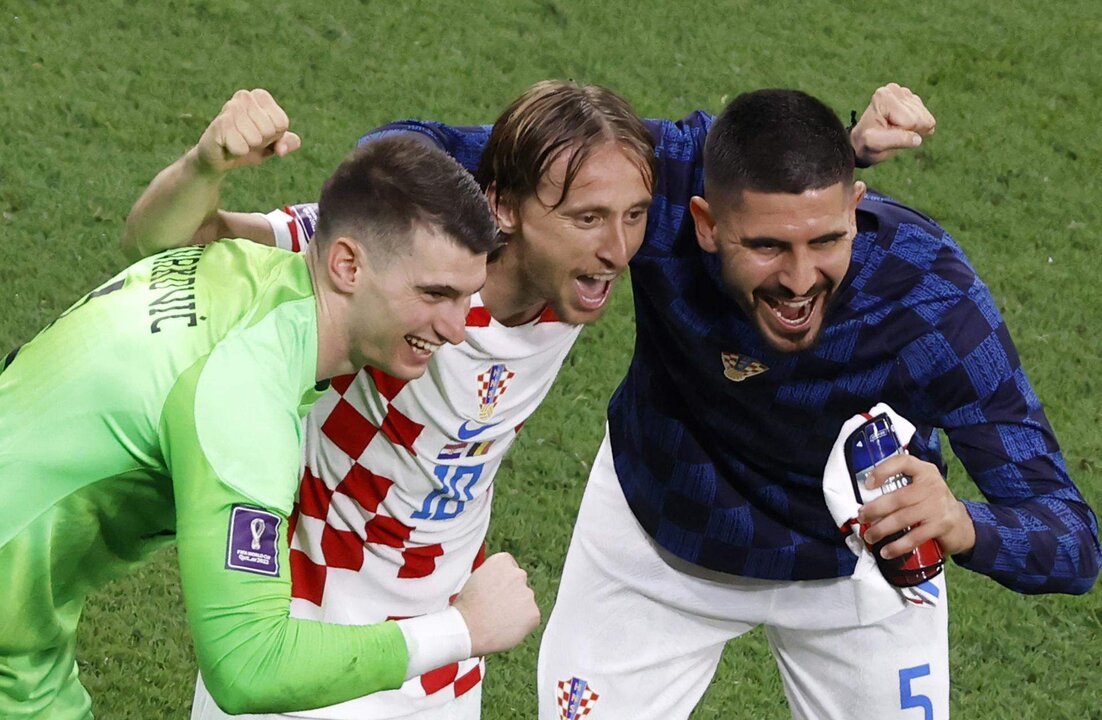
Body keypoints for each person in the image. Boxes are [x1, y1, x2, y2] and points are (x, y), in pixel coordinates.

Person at [124, 84, 933, 720]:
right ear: (504, 209)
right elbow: (167, 246)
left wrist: (847, 144)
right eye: (587, 219)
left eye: (632, 219)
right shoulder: (403, 264)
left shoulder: (574, 276)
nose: (616, 249)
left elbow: (726, 177)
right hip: (310, 628)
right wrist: (206, 164)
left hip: (446, 643)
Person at [535, 89, 1101, 719]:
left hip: (860, 574)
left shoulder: (933, 299)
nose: (800, 282)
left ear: (855, 209)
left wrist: (967, 525)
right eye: (769, 247)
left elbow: (1072, 537)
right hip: (659, 539)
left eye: (826, 240)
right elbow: (451, 156)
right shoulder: (655, 190)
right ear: (706, 224)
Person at [0, 130, 542, 720]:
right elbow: (248, 667)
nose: (456, 328)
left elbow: (147, 242)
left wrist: (202, 168)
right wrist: (463, 629)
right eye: (434, 294)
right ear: (346, 264)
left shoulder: (243, 268)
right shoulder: (244, 399)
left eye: (466, 297)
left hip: (23, 629)